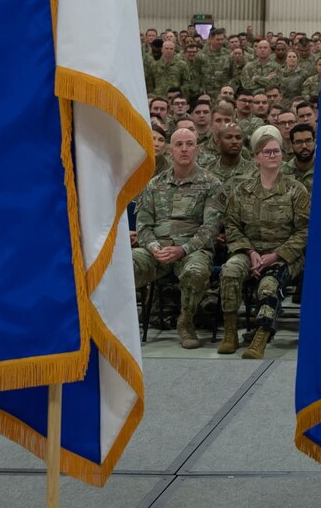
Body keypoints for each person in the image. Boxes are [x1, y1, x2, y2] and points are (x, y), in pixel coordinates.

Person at [216, 125, 310, 359]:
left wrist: (276, 255)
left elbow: (305, 230)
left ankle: (261, 336)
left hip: (285, 256)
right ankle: (230, 333)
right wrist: (249, 252)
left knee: (269, 284)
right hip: (250, 252)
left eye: (276, 151)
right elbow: (232, 226)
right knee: (229, 271)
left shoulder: (295, 190)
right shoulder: (242, 190)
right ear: (256, 157)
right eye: (266, 152)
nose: (272, 156)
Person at [131, 125, 225, 348]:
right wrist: (154, 248)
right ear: (169, 151)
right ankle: (123, 325)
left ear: (197, 149)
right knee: (124, 265)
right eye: (179, 144)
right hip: (157, 251)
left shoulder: (212, 184)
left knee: (196, 272)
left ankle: (186, 322)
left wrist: (183, 249)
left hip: (192, 251)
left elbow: (210, 228)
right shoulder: (154, 185)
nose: (184, 149)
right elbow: (143, 226)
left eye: (189, 144)